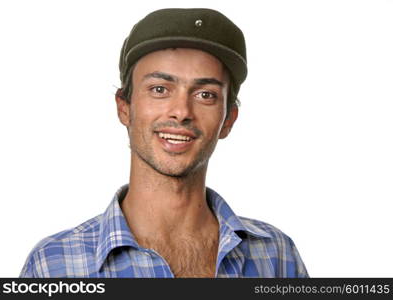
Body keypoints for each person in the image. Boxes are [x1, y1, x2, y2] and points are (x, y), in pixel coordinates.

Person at [20, 8, 308, 278]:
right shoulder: (54, 266)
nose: (182, 111)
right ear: (124, 107)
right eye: (159, 89)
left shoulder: (277, 256)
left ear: (229, 119)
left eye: (205, 95)